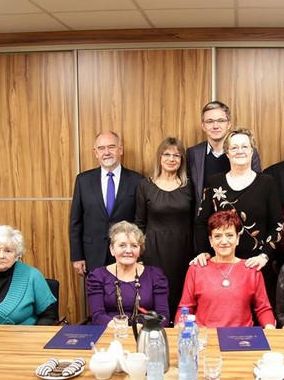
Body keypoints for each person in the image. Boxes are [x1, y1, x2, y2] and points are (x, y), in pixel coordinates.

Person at [194, 127, 282, 273]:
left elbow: (277, 224)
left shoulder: (267, 182)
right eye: (234, 147)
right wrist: (203, 252)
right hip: (220, 263)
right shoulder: (214, 182)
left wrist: (264, 256)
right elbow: (201, 222)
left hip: (256, 265)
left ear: (252, 151)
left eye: (245, 147)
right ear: (227, 152)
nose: (240, 151)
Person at [178, 211, 275, 328]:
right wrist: (180, 325)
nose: (224, 241)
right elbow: (186, 307)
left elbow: (263, 309)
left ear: (237, 238)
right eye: (217, 236)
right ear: (211, 241)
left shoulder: (251, 269)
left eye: (229, 235)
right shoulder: (197, 268)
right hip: (206, 335)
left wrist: (270, 327)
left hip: (241, 336)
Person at [135, 137, 194, 322]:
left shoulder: (190, 185)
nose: (171, 159)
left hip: (183, 250)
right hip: (153, 250)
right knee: (156, 294)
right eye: (166, 154)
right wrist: (139, 255)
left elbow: (196, 221)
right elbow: (139, 223)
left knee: (181, 294)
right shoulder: (145, 185)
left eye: (176, 155)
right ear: (159, 158)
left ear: (182, 160)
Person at [69, 131, 143, 276]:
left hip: (126, 254)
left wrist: (140, 255)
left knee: (126, 291)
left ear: (120, 150)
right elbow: (75, 222)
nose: (107, 152)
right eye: (101, 148)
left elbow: (141, 221)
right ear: (96, 153)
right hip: (92, 255)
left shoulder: (137, 180)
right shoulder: (83, 181)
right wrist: (77, 256)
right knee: (96, 291)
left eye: (111, 147)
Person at [86, 221, 169, 327]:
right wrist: (121, 327)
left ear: (140, 250)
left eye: (134, 246)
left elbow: (163, 316)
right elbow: (97, 316)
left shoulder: (155, 276)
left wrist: (145, 328)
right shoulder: (97, 276)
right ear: (112, 249)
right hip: (110, 331)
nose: (128, 251)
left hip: (145, 332)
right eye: (122, 245)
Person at [187, 101, 261, 216]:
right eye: (209, 121)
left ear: (229, 124)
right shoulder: (193, 154)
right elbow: (190, 194)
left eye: (221, 121)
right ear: (203, 126)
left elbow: (257, 188)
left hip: (239, 219)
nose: (215, 126)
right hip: (205, 221)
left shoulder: (246, 153)